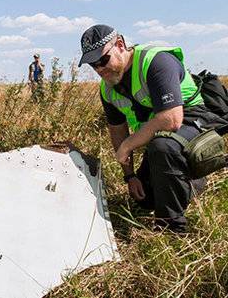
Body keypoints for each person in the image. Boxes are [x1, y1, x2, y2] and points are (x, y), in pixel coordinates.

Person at [78, 24, 215, 233]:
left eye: (103, 60)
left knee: (162, 146)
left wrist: (126, 147)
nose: (100, 69)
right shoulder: (108, 89)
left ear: (121, 45)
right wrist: (129, 176)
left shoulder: (156, 62)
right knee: (146, 199)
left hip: (193, 121)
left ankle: (171, 228)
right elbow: (118, 130)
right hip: (160, 136)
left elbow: (171, 120)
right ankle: (190, 181)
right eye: (93, 65)